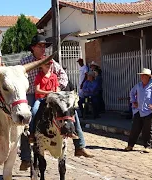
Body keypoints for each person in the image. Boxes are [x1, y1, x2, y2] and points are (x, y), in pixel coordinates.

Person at [19, 34, 93, 171]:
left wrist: (58, 88)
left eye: (44, 46)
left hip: (52, 95)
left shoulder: (51, 61)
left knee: (70, 111)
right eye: (40, 46)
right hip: (31, 93)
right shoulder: (25, 62)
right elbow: (18, 79)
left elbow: (63, 76)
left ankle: (79, 145)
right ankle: (26, 157)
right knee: (26, 117)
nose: (43, 49)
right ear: (32, 48)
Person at [125, 68, 152, 153]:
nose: (142, 77)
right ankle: (130, 145)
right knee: (135, 129)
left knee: (148, 130)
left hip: (149, 111)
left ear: (148, 77)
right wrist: (133, 101)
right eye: (141, 76)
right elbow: (132, 93)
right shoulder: (138, 85)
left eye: (144, 76)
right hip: (138, 111)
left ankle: (147, 146)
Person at [29, 60, 59, 141]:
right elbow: (37, 90)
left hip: (52, 98)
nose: (49, 65)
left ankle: (63, 130)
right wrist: (48, 92)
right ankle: (32, 132)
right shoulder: (39, 76)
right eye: (46, 64)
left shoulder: (54, 76)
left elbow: (57, 89)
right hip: (41, 99)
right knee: (34, 111)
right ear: (41, 66)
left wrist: (56, 92)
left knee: (61, 111)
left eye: (50, 63)